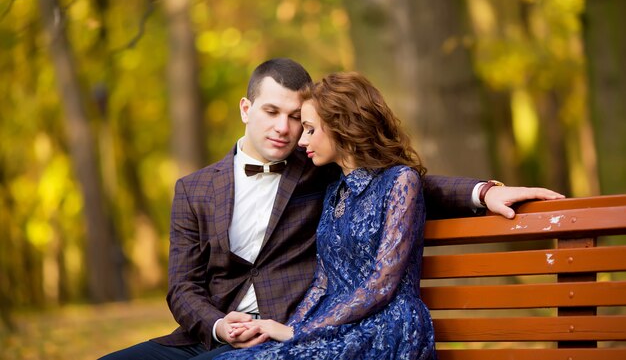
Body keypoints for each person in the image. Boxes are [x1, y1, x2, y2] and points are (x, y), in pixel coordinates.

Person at [99, 58, 563, 360]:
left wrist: (482, 193)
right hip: (210, 335)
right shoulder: (193, 189)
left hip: (291, 329)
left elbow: (397, 179)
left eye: (297, 118)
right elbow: (181, 288)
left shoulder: (318, 166)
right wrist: (219, 325)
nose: (286, 129)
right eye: (271, 112)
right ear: (246, 108)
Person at [215, 71, 435, 359]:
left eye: (310, 129)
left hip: (385, 326)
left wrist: (300, 333)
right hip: (334, 326)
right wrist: (287, 329)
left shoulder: (400, 181)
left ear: (341, 126)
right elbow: (321, 284)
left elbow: (382, 285)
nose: (302, 141)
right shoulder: (334, 191)